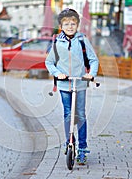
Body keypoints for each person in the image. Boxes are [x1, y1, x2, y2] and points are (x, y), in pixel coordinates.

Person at [45, 8, 99, 165]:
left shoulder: (82, 40)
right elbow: (49, 62)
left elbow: (93, 59)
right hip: (63, 84)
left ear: (77, 25)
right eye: (66, 24)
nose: (70, 26)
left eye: (73, 23)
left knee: (80, 115)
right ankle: (70, 141)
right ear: (61, 25)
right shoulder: (57, 42)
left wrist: (91, 74)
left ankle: (82, 147)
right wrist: (57, 73)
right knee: (68, 114)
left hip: (80, 83)